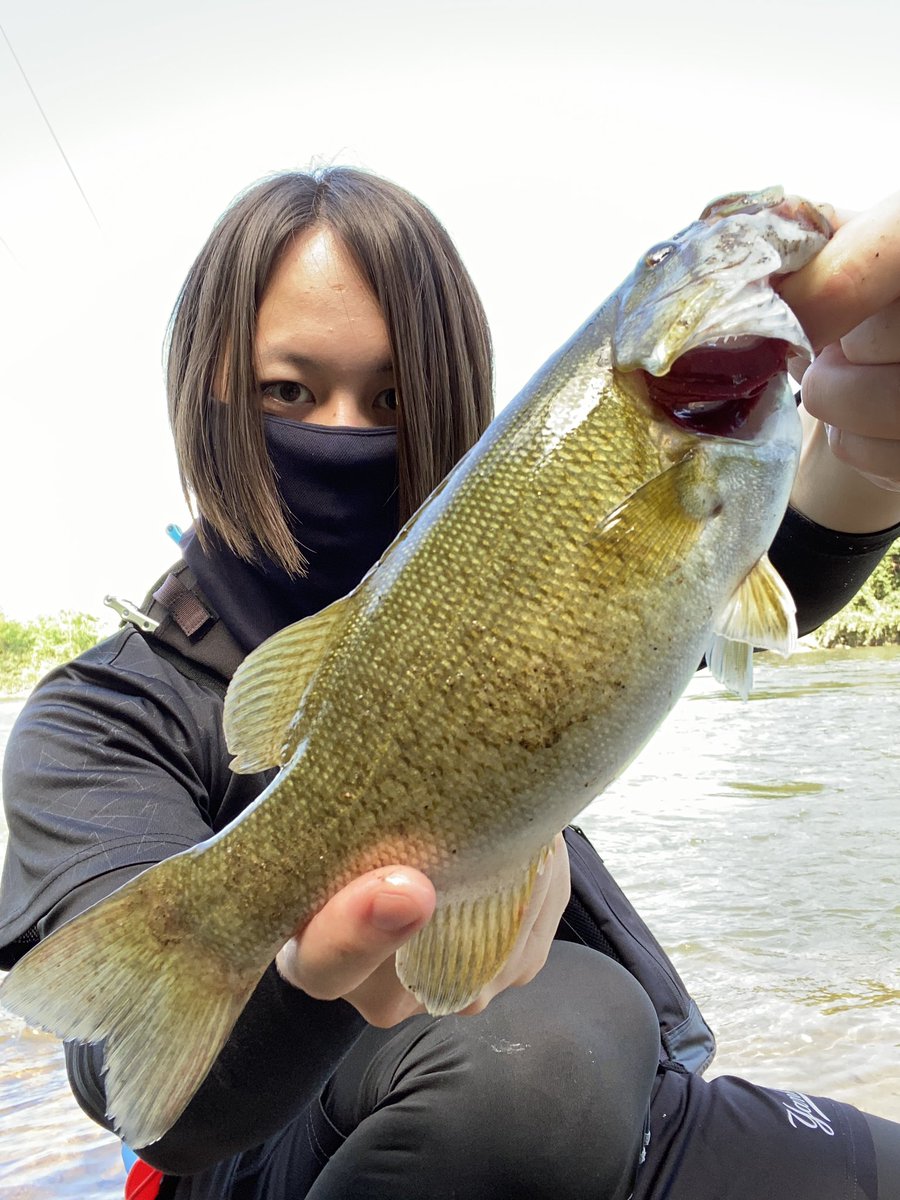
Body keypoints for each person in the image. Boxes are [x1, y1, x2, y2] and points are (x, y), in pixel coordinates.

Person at [1, 168, 898, 1200]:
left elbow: (718, 587)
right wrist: (309, 984)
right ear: (208, 394)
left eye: (391, 396)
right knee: (534, 1056)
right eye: (289, 390)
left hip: (618, 1115)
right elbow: (147, 1107)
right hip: (312, 1150)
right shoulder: (103, 715)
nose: (343, 429)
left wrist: (868, 466)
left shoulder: (520, 562)